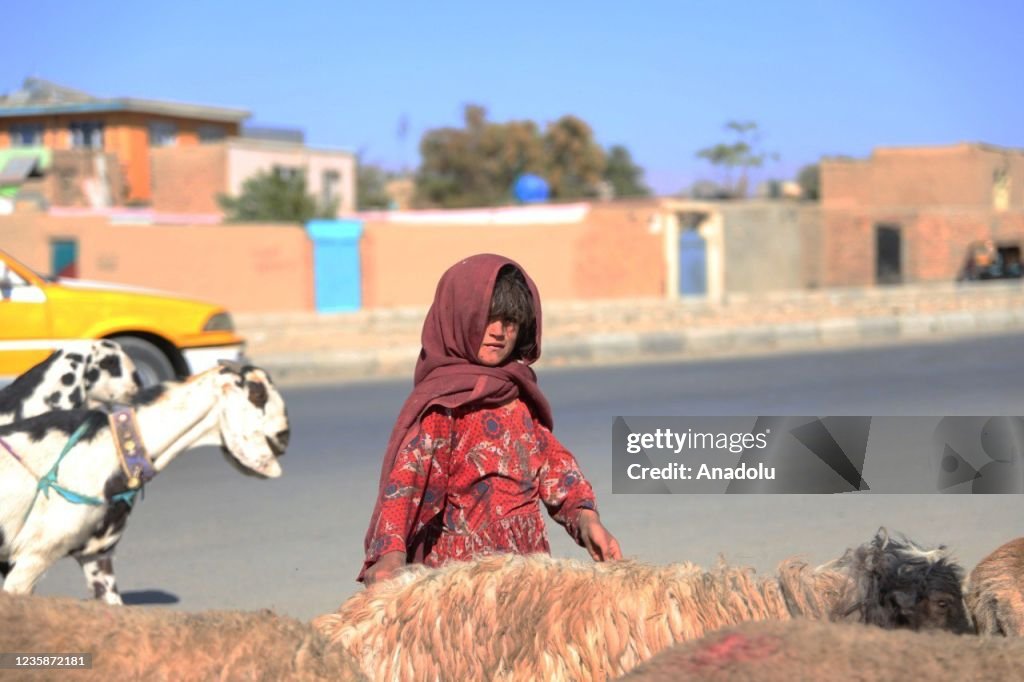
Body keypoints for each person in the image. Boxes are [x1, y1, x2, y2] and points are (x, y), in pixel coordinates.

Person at [359, 253, 621, 585]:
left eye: (509, 322)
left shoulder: (517, 396)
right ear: (459, 318)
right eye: (487, 319)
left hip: (529, 573)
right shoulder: (445, 405)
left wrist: (586, 519)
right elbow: (406, 484)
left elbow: (553, 465)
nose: (498, 332)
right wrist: (391, 556)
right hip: (464, 583)